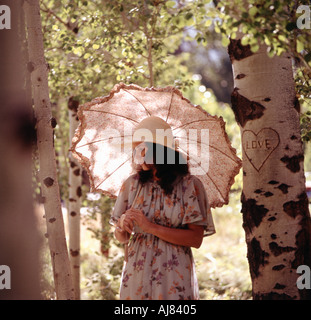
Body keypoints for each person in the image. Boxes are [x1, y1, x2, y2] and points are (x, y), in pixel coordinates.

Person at [110, 116, 215, 300]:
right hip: (137, 274)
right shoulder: (132, 185)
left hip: (174, 276)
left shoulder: (189, 186)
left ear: (159, 149)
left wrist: (151, 227)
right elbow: (120, 237)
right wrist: (122, 225)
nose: (137, 154)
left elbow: (196, 239)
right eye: (135, 149)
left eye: (141, 149)